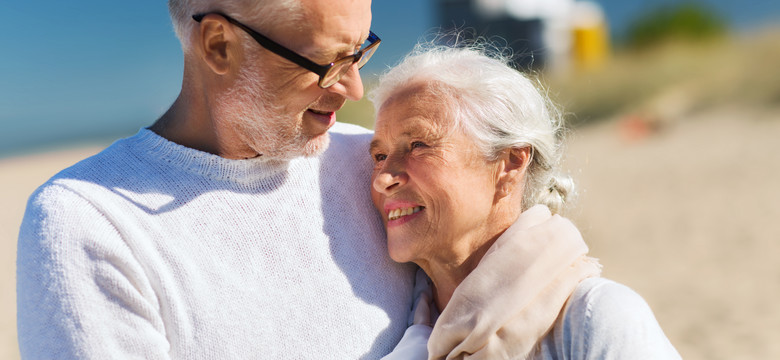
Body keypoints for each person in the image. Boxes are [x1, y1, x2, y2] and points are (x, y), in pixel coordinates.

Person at [16, 0, 418, 358]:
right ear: (218, 45)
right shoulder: (90, 222)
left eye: (359, 52)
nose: (356, 89)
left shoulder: (381, 168)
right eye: (330, 64)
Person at [368, 43, 682, 359]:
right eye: (379, 156)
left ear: (510, 164)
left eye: (419, 145)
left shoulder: (596, 318)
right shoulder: (396, 331)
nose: (383, 178)